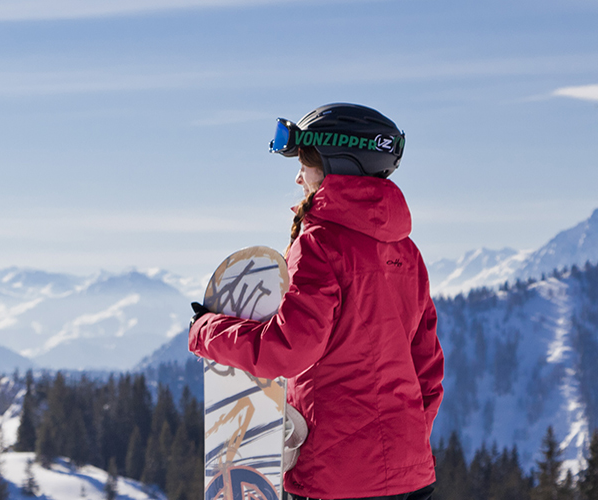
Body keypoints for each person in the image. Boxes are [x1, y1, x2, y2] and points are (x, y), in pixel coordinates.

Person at [188, 103, 444, 500]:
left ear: (335, 166)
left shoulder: (320, 243)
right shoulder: (406, 251)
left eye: (304, 163)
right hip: (412, 475)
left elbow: (289, 349)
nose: (297, 176)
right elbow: (427, 370)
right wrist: (399, 444)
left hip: (340, 478)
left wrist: (208, 332)